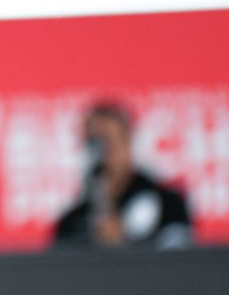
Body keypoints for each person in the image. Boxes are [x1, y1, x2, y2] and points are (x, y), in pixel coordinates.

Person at [53, 102, 193, 249]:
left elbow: (180, 260)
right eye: (92, 143)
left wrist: (126, 241)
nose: (100, 153)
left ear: (128, 141)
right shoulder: (72, 223)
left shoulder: (168, 204)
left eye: (107, 141)